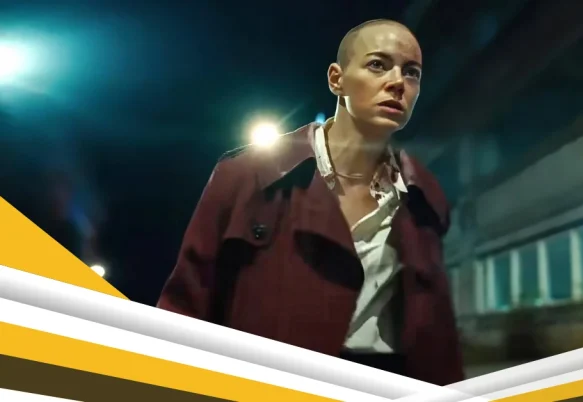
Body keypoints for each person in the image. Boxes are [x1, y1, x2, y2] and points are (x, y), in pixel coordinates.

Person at [157, 18, 464, 385]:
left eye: (411, 72)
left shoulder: (423, 194)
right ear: (337, 79)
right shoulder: (247, 176)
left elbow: (438, 333)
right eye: (378, 65)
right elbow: (185, 307)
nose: (398, 82)